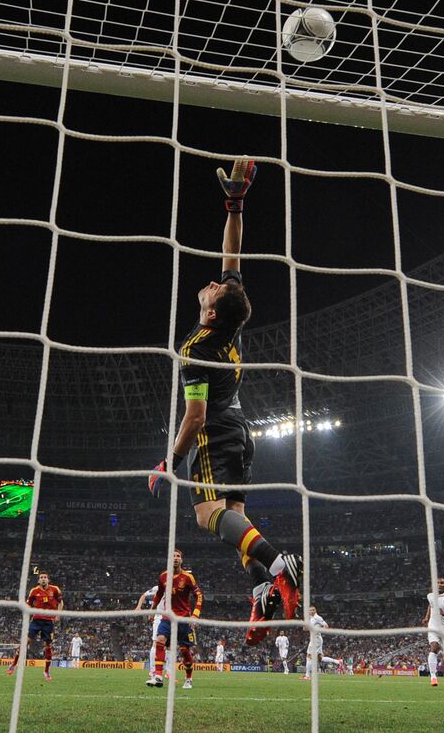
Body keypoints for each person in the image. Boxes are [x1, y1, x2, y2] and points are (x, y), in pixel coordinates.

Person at [148, 158, 301, 628]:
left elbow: (193, 417)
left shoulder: (197, 346)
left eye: (214, 291)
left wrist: (169, 462)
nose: (213, 285)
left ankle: (278, 566)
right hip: (240, 429)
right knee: (236, 519)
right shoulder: (229, 323)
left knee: (206, 515)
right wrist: (235, 205)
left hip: (214, 431)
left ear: (211, 313)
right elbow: (230, 257)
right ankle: (260, 590)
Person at [146, 549, 202, 690]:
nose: (176, 558)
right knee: (160, 640)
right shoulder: (163, 577)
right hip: (167, 617)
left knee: (184, 651)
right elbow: (158, 595)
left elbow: (199, 595)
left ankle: (188, 679)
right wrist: (152, 611)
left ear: (181, 560)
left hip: (183, 618)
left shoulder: (188, 578)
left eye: (178, 556)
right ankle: (158, 676)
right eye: (173, 556)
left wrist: (195, 615)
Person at [8, 573, 62, 681]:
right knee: (25, 642)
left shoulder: (55, 590)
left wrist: (58, 614)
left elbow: (60, 602)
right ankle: (13, 664)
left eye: (45, 577)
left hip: (48, 622)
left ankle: (46, 671)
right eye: (41, 577)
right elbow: (28, 605)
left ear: (48, 579)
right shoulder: (34, 591)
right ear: (38, 580)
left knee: (48, 646)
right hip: (36, 621)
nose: (43, 579)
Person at [135, 584, 167, 679]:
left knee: (169, 646)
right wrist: (138, 607)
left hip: (169, 618)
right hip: (159, 618)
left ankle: (168, 672)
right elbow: (144, 595)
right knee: (156, 643)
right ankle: (152, 670)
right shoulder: (157, 588)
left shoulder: (176, 588)